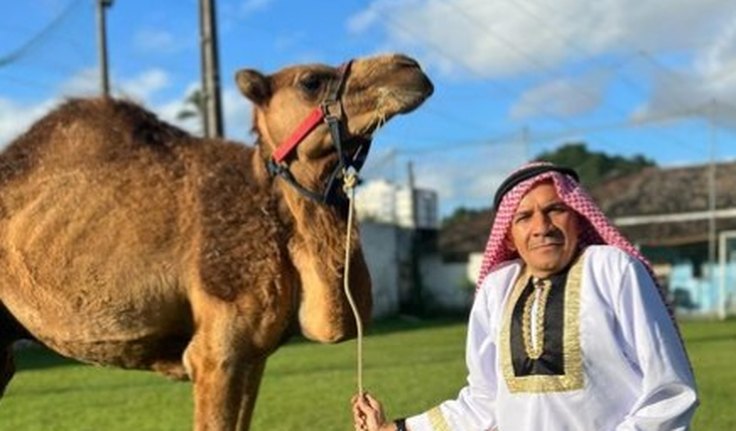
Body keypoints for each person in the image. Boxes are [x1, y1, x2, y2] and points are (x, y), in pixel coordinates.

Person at [352, 161, 698, 431]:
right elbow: (484, 401)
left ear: (578, 217)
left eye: (555, 210)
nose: (542, 227)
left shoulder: (612, 268)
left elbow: (670, 393)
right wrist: (395, 427)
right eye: (524, 217)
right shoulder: (497, 289)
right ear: (508, 236)